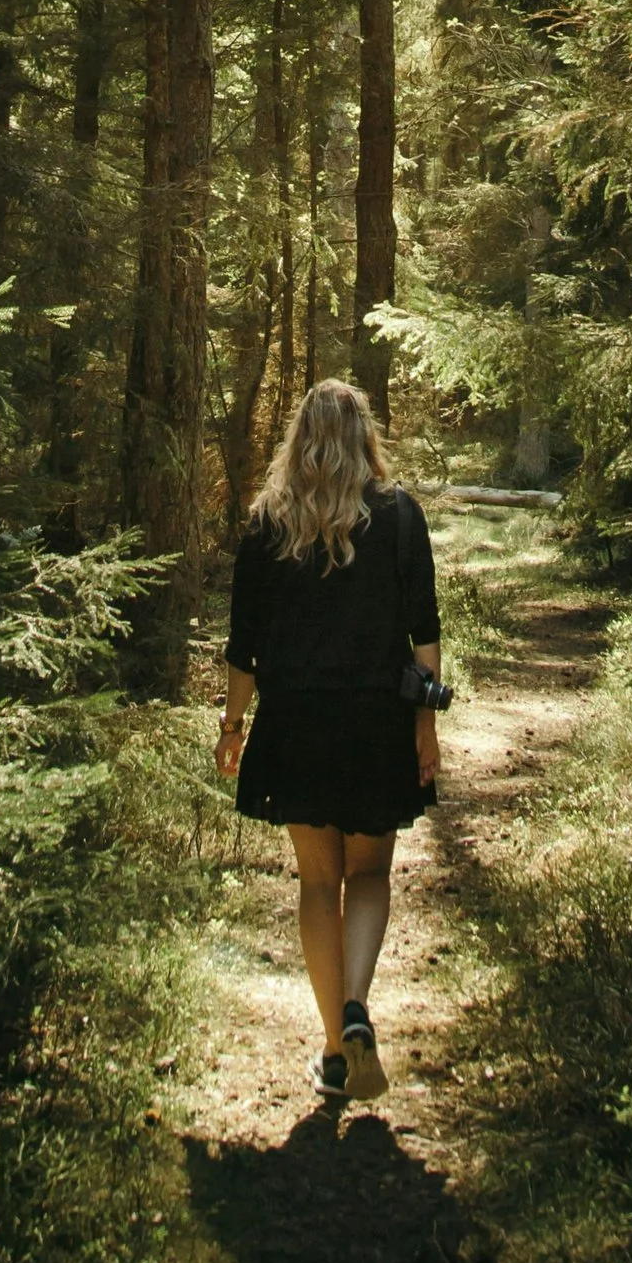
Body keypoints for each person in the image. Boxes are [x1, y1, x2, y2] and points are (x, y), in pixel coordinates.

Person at [214, 377, 443, 1100]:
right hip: (376, 720)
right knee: (369, 875)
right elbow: (426, 636)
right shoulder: (401, 517)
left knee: (318, 882)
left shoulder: (265, 525)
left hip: (296, 723)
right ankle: (356, 1010)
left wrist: (232, 727)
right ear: (363, 437)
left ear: (299, 440)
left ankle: (333, 1051)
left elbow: (242, 648)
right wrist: (425, 727)